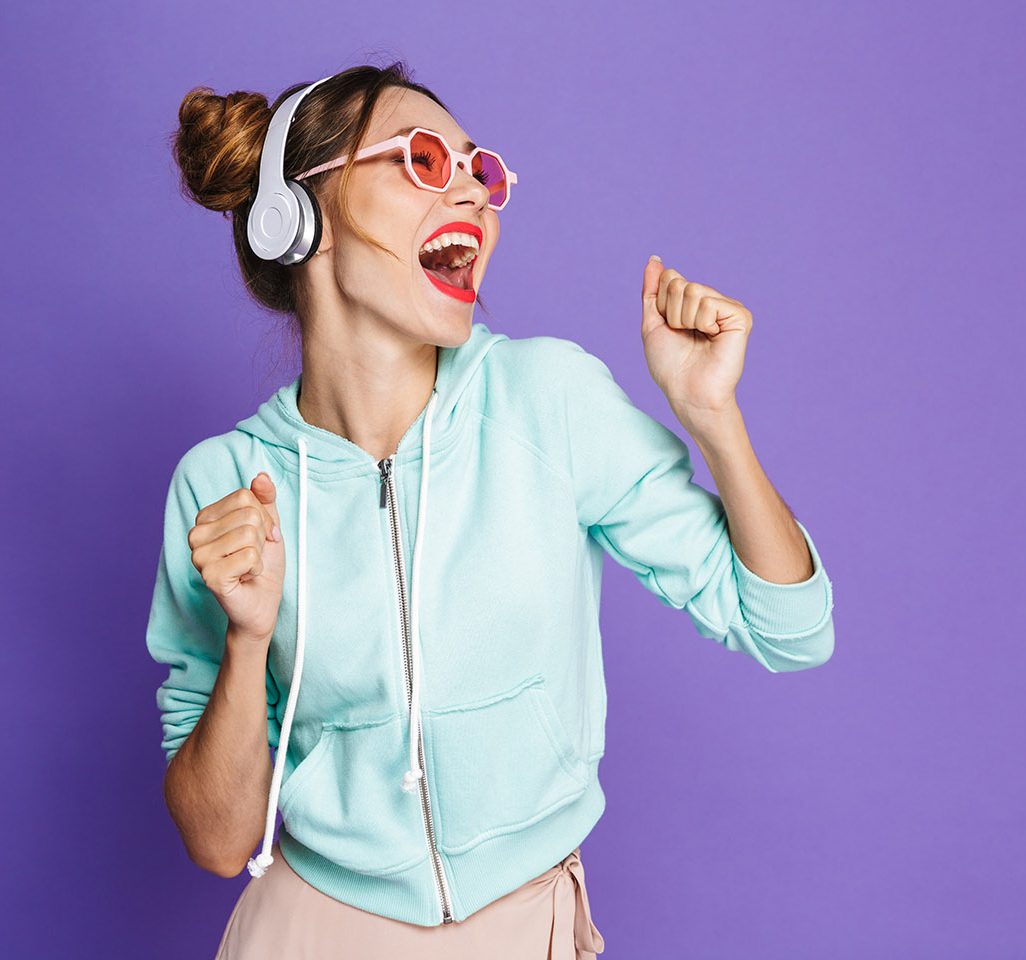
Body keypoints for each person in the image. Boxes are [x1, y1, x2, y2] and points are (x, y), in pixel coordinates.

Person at [148, 61, 836, 959]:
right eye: (427, 160)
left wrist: (713, 420)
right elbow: (216, 841)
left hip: (524, 928)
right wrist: (246, 640)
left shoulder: (545, 400)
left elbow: (790, 628)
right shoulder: (224, 485)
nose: (474, 192)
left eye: (484, 172)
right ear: (299, 220)